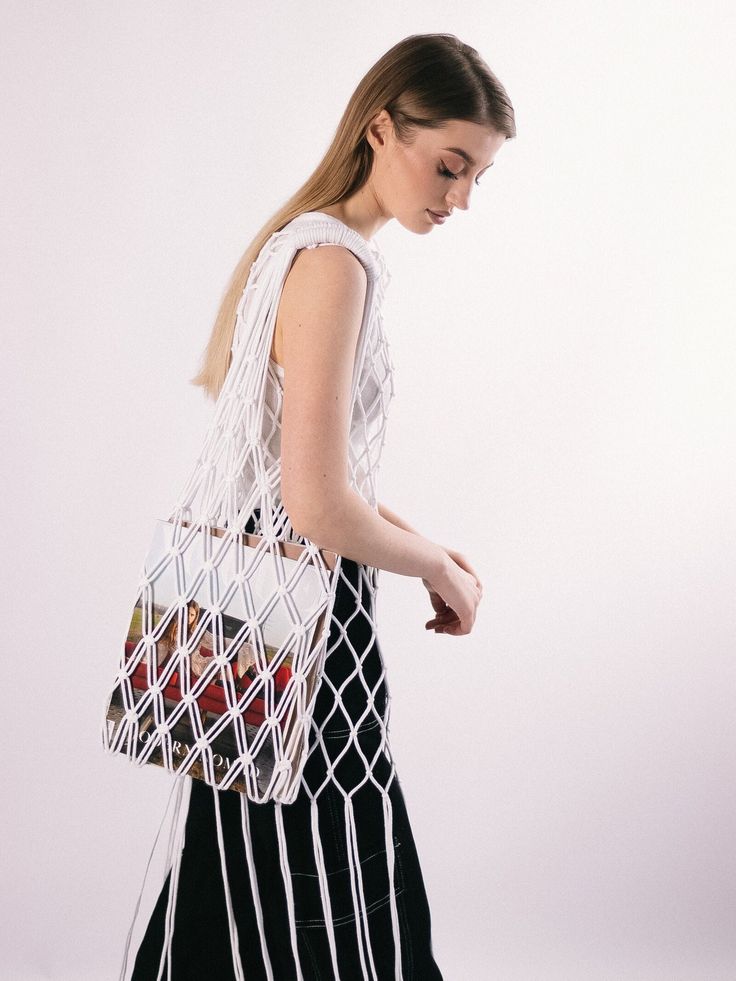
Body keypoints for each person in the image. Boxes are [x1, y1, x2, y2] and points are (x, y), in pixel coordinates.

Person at [124, 32, 515, 980]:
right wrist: (432, 567)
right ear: (382, 127)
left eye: (479, 177)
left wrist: (428, 544)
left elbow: (316, 479)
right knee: (334, 872)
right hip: (305, 616)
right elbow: (315, 505)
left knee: (241, 867)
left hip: (251, 609)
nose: (461, 197)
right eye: (449, 165)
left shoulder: (297, 246)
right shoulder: (335, 263)